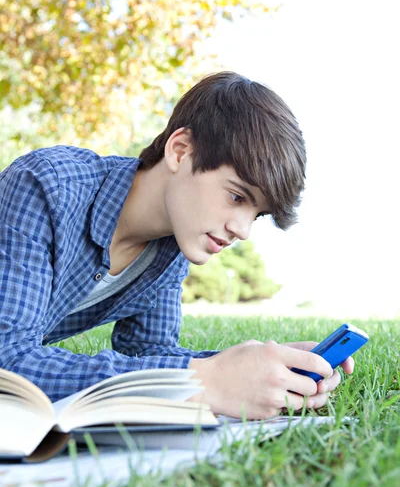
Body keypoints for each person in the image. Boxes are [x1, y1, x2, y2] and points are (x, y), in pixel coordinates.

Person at [0, 72, 353, 419]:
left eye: (256, 215)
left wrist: (259, 368)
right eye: (236, 196)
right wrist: (203, 381)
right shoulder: (46, 188)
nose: (242, 230)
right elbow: (7, 359)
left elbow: (148, 354)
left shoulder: (172, 248)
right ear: (180, 150)